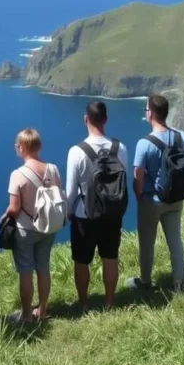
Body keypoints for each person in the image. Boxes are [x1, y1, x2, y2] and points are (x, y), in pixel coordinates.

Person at [128, 94, 184, 291]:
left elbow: (137, 175)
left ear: (151, 114)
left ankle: (146, 282)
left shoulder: (144, 143)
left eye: (146, 110)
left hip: (152, 200)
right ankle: (179, 283)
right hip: (175, 198)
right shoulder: (180, 137)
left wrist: (139, 194)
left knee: (147, 243)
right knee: (175, 240)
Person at [65, 101, 129, 311]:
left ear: (86, 120)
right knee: (110, 257)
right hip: (112, 213)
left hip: (85, 214)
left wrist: (68, 213)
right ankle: (109, 301)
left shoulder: (76, 151)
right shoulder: (121, 148)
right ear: (106, 120)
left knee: (82, 261)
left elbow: (71, 190)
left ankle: (83, 303)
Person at [4, 128, 63, 323]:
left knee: (26, 271)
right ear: (39, 146)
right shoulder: (52, 169)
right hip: (48, 226)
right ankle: (43, 310)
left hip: (26, 229)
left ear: (21, 148)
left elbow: (14, 208)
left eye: (17, 145)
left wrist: (4, 216)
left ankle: (27, 315)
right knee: (43, 267)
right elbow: (59, 195)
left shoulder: (17, 175)